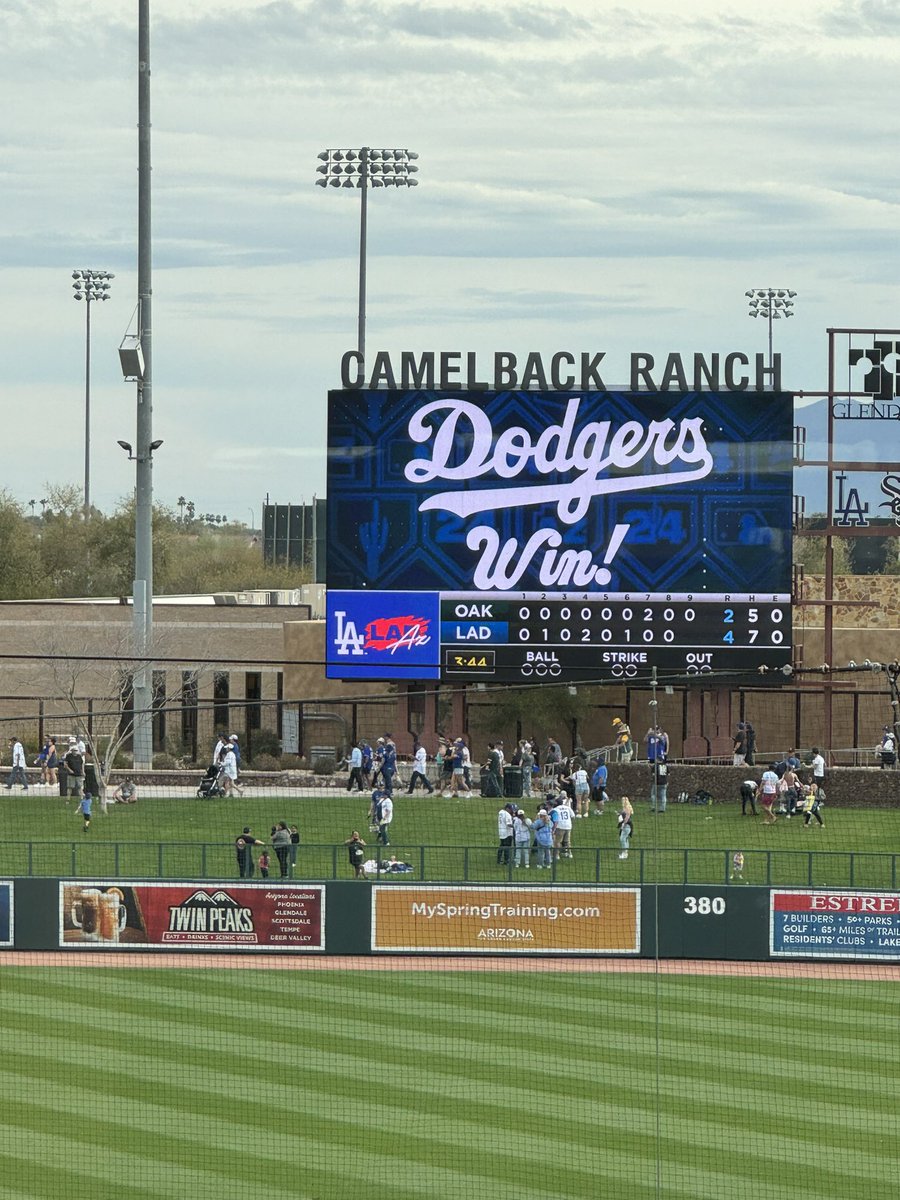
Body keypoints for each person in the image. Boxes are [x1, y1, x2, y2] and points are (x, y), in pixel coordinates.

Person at [552, 794, 574, 860]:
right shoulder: (567, 807)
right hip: (568, 826)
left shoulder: (555, 809)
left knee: (558, 841)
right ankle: (570, 853)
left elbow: (554, 819)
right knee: (567, 841)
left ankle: (557, 855)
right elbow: (573, 816)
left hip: (560, 826)